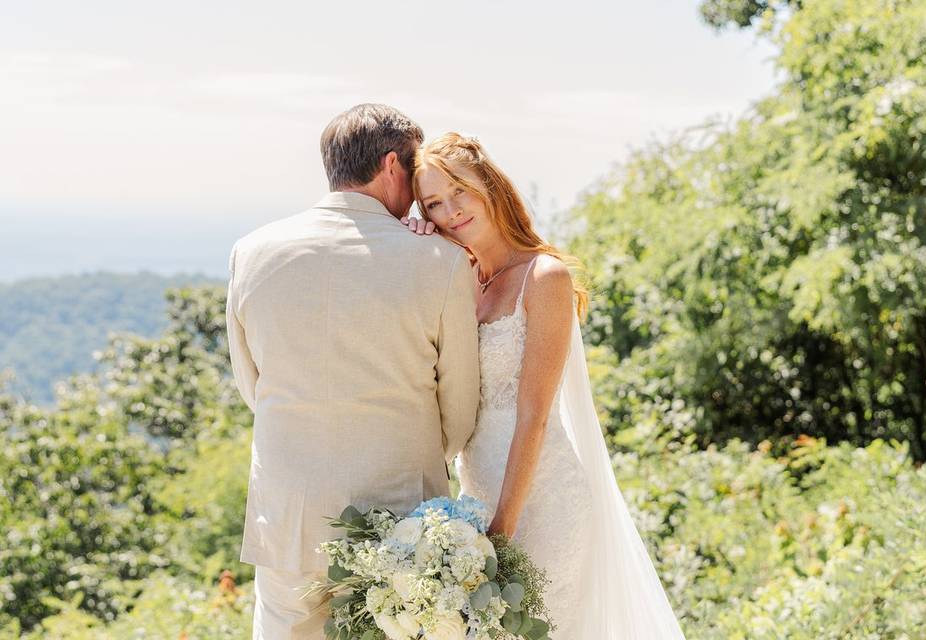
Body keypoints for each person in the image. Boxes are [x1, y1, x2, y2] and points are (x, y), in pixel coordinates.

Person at [404, 132, 687, 639]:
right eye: (433, 204)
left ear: (488, 185)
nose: (451, 211)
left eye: (459, 192)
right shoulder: (462, 279)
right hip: (476, 500)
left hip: (542, 502)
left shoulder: (544, 277)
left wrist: (502, 532)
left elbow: (533, 414)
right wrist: (414, 237)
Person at [226, 106, 480, 639]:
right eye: (413, 173)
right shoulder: (440, 260)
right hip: (400, 517)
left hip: (288, 516)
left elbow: (254, 387)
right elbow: (459, 410)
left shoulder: (250, 253)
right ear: (392, 164)